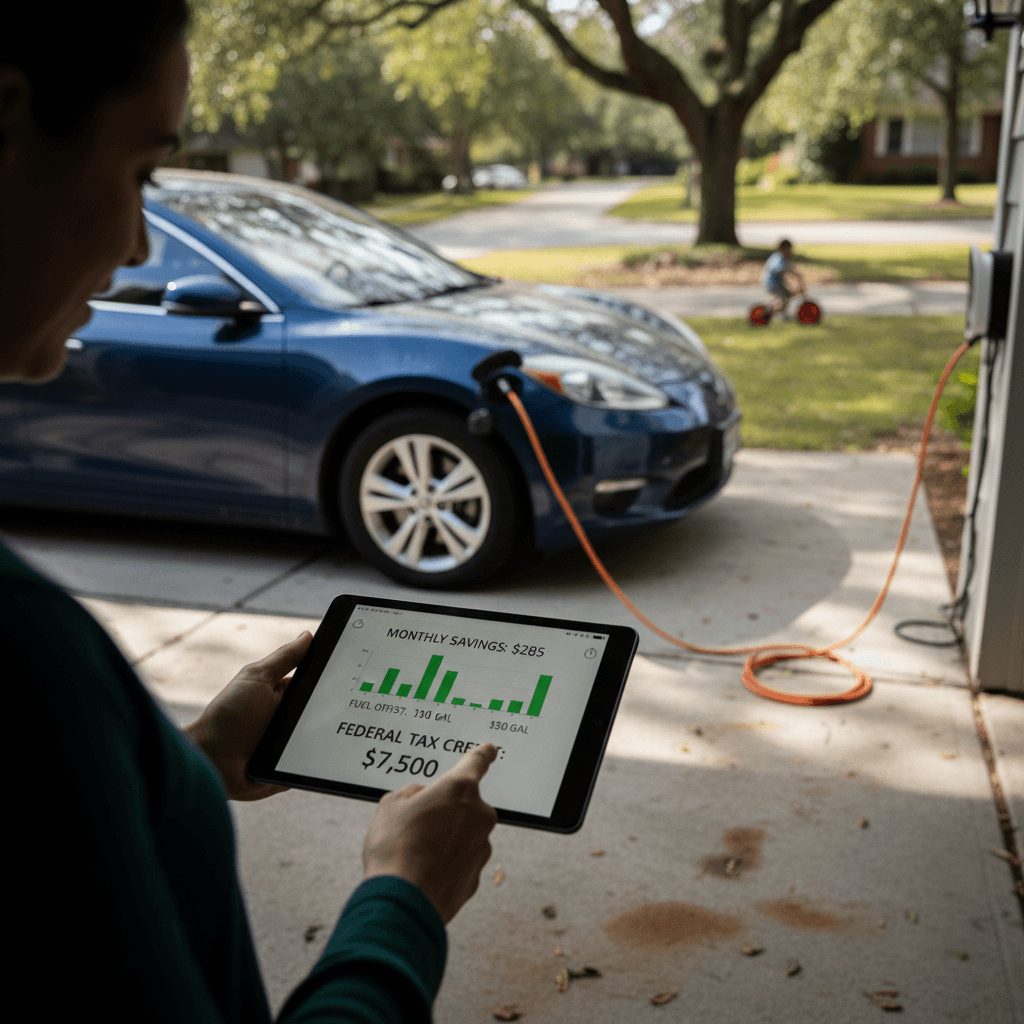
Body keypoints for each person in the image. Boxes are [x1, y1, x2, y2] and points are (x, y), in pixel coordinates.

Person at [1, 4, 498, 1021]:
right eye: (141, 173)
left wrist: (179, 764)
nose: (141, 240)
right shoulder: (24, 655)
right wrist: (403, 899)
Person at [760, 239, 806, 319]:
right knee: (786, 295)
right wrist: (794, 274)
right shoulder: (778, 258)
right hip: (772, 284)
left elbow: (789, 267)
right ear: (782, 249)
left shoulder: (781, 257)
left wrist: (794, 274)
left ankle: (776, 311)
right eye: (788, 249)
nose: (790, 252)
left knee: (786, 296)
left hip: (775, 283)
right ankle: (773, 312)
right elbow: (780, 268)